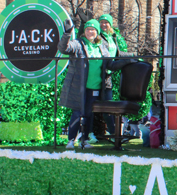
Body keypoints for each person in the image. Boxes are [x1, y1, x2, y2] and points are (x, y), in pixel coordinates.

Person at [58, 19, 137, 149]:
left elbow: (111, 64)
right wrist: (67, 34)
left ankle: (84, 141)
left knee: (89, 114)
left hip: (94, 88)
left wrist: (127, 61)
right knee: (78, 113)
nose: (90, 32)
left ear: (97, 32)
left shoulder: (102, 47)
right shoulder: (78, 44)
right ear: (85, 31)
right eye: (88, 29)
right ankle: (71, 141)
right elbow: (64, 49)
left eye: (93, 29)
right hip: (79, 87)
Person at [98, 14, 132, 136]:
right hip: (99, 75)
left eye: (106, 22)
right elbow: (108, 61)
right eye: (101, 22)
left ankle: (113, 133)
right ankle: (112, 133)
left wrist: (132, 56)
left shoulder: (112, 37)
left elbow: (117, 53)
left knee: (109, 105)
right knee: (104, 106)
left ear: (110, 24)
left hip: (108, 77)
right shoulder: (98, 37)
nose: (103, 24)